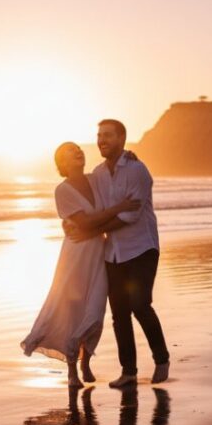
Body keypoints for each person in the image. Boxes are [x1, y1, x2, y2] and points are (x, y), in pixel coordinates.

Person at [21, 142, 140, 388]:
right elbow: (84, 223)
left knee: (95, 311)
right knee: (72, 310)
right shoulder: (62, 190)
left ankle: (86, 359)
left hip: (99, 254)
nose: (77, 152)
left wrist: (128, 157)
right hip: (75, 256)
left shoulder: (96, 178)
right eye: (70, 151)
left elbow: (114, 169)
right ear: (61, 163)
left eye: (78, 148)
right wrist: (119, 208)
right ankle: (73, 370)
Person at [73, 119, 170, 388]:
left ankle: (161, 358)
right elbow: (84, 196)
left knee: (140, 304)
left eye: (108, 135)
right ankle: (129, 372)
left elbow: (130, 214)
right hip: (113, 252)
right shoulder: (99, 173)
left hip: (141, 247)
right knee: (119, 314)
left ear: (122, 138)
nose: (101, 140)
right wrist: (74, 222)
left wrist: (93, 230)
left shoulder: (137, 170)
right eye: (99, 135)